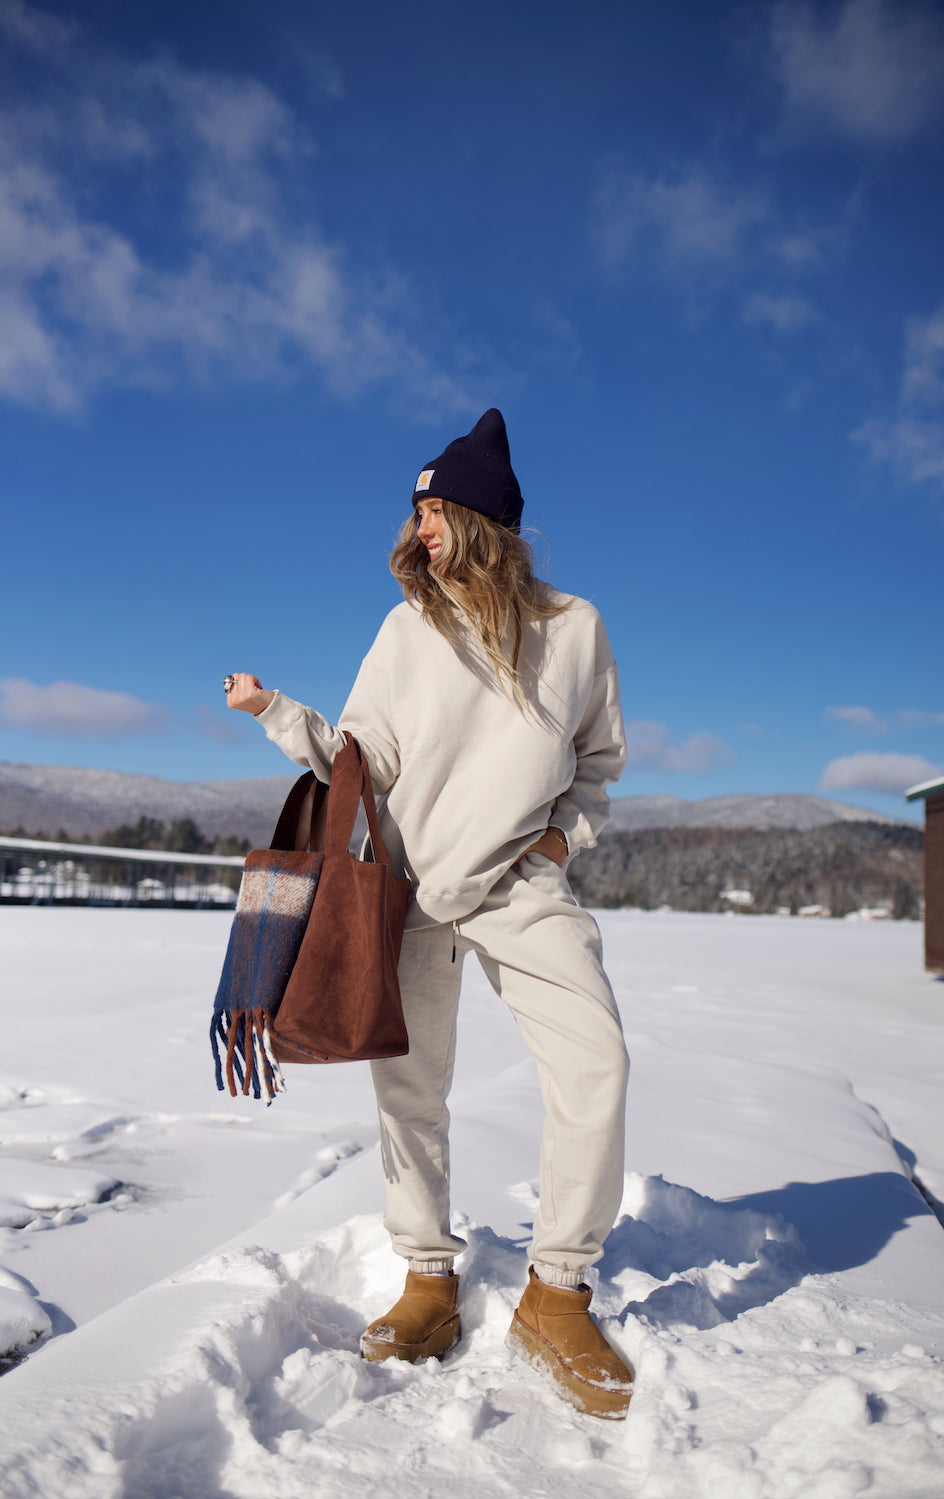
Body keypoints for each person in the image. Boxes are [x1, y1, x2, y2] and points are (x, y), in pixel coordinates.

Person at [225, 409, 632, 1420]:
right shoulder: (407, 630)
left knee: (596, 1062)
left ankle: (557, 1290)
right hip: (405, 889)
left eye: (435, 507)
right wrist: (278, 714)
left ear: (481, 515)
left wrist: (561, 841)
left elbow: (598, 767)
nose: (420, 526)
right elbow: (361, 759)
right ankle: (427, 1274)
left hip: (520, 886)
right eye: (415, 510)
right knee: (412, 1095)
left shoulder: (575, 629)